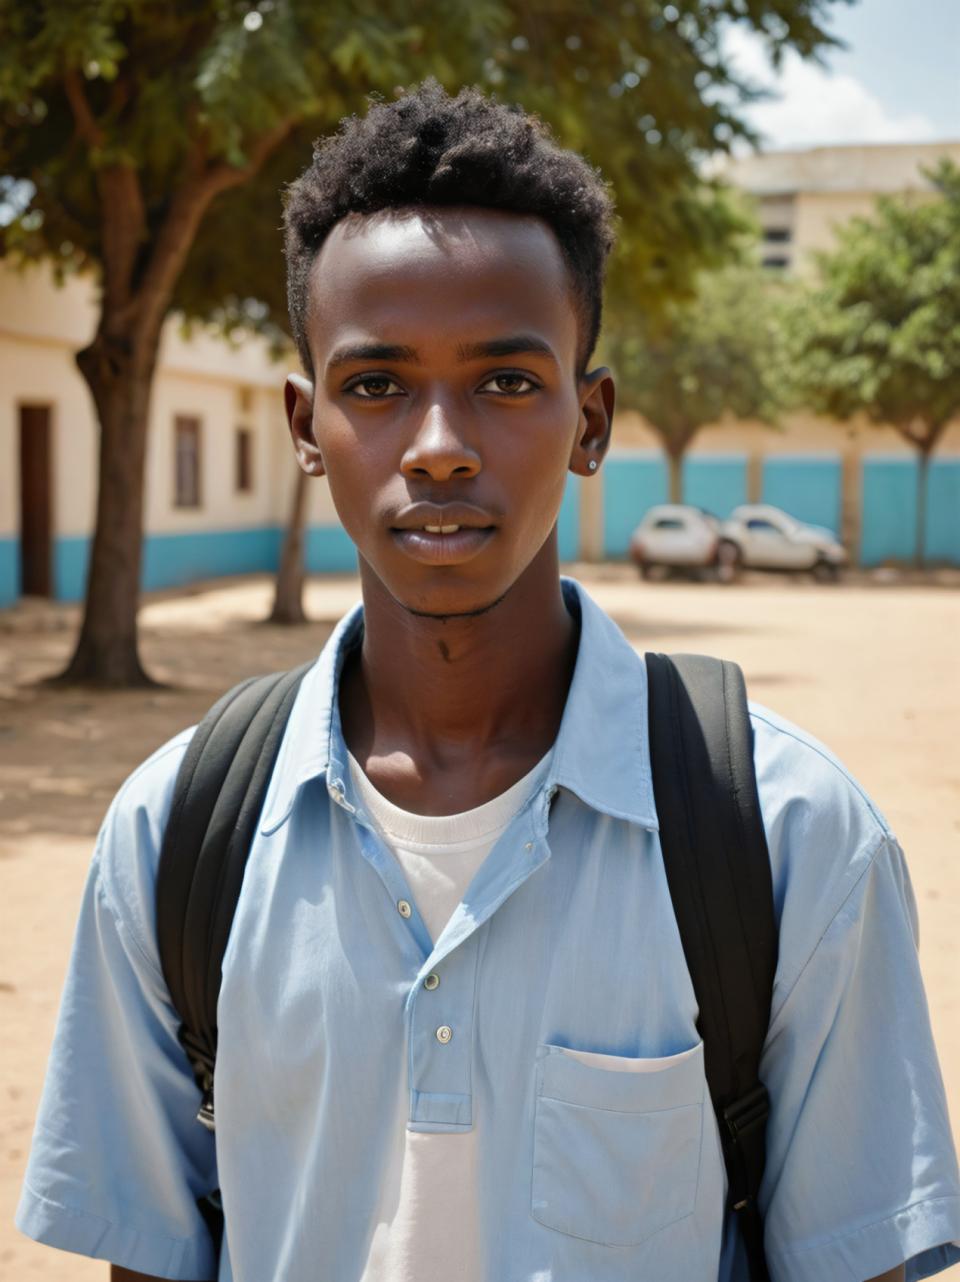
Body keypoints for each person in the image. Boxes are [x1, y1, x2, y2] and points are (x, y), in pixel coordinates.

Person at [15, 81, 960, 1282]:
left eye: (508, 381)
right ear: (307, 427)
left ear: (592, 417)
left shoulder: (783, 837)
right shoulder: (179, 835)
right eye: (375, 385)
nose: (441, 442)